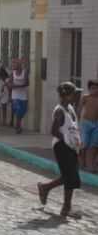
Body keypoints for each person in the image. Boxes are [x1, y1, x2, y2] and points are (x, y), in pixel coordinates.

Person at [37, 82, 82, 218]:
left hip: (70, 146)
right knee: (70, 176)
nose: (76, 96)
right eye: (74, 93)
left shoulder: (70, 108)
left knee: (71, 177)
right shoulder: (60, 111)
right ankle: (64, 206)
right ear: (67, 96)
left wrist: (75, 141)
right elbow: (54, 130)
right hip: (62, 146)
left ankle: (48, 190)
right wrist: (67, 140)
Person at [79, 79, 98, 172]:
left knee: (94, 144)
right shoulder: (85, 97)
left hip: (96, 124)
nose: (95, 90)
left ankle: (93, 163)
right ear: (89, 89)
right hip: (86, 123)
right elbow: (79, 109)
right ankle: (82, 161)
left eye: (96, 88)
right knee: (85, 143)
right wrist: (77, 121)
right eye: (92, 88)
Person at [11, 59, 29, 134]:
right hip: (15, 96)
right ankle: (18, 127)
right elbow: (10, 83)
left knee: (23, 111)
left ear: (19, 65)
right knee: (17, 111)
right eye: (13, 64)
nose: (13, 65)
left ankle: (18, 124)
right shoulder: (13, 73)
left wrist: (17, 86)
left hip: (23, 95)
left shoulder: (24, 72)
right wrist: (11, 85)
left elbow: (27, 83)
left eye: (14, 64)